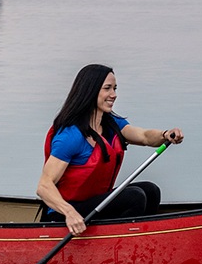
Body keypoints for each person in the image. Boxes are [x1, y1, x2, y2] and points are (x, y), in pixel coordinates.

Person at [36, 64, 184, 235]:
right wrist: (69, 213)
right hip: (65, 215)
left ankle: (138, 241)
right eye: (107, 88)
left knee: (151, 190)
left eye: (114, 88)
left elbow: (144, 136)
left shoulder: (110, 124)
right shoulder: (70, 136)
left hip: (93, 205)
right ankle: (119, 245)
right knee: (134, 197)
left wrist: (165, 135)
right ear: (90, 91)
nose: (114, 95)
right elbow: (44, 186)